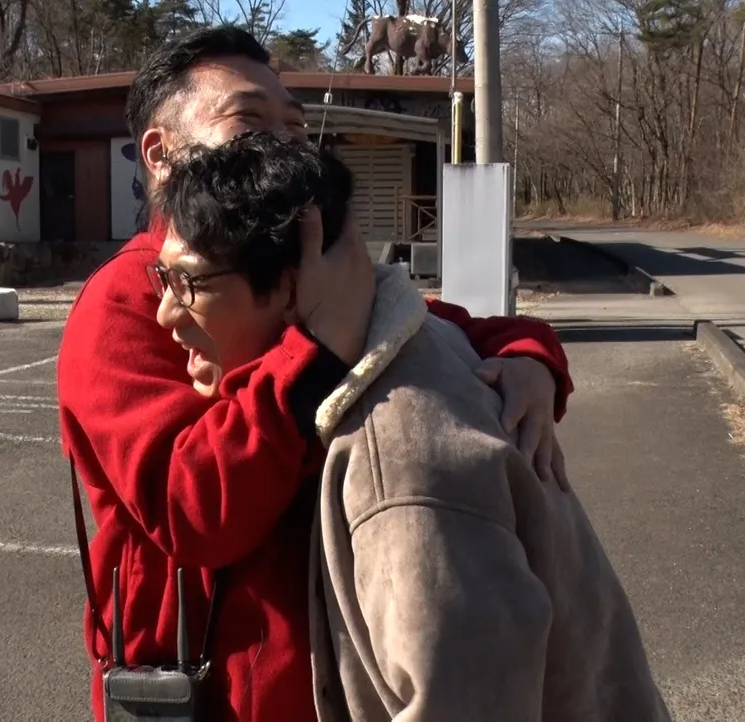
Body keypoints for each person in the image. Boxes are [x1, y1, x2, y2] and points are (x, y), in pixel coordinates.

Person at [57, 26, 576, 722]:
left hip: (337, 677)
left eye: (294, 126)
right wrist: (317, 345)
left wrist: (528, 357)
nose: (282, 142)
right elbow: (195, 512)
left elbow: (418, 319)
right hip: (207, 692)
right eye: (248, 119)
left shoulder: (307, 267)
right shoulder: (126, 304)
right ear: (161, 154)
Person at [155, 131, 669, 721]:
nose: (165, 312)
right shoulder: (400, 347)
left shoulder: (400, 458)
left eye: (188, 283)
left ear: (296, 283)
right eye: (161, 278)